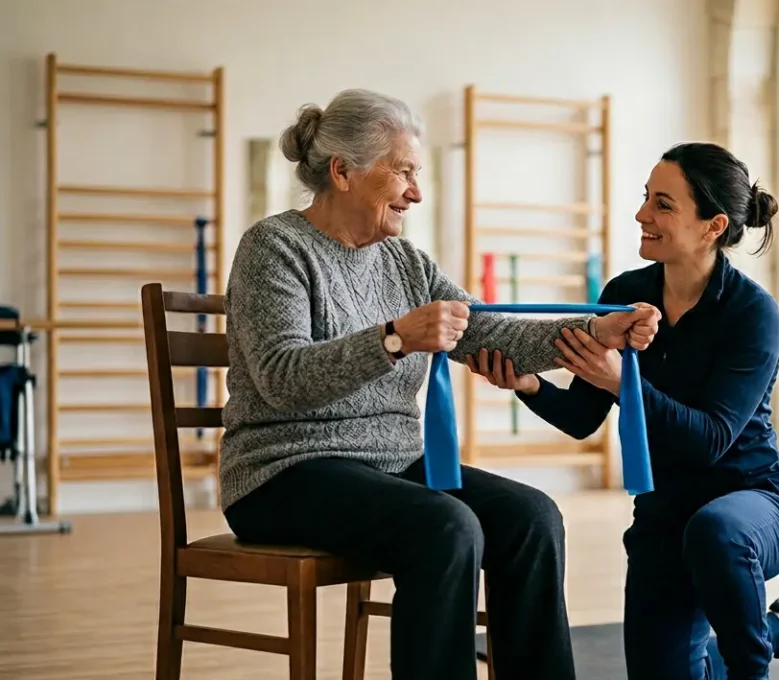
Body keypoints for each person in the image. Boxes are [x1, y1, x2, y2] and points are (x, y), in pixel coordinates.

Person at [218, 88, 660, 680]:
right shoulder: (273, 248)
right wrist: (393, 338)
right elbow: (279, 380)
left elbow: (485, 332)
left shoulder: (407, 263)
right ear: (342, 172)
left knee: (533, 518)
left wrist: (596, 329)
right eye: (402, 172)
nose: (416, 192)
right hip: (281, 473)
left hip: (390, 467)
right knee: (447, 527)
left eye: (416, 173)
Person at [465, 142, 779, 680]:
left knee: (717, 533)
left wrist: (622, 383)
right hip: (665, 518)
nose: (642, 214)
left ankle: (753, 666)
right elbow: (581, 417)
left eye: (663, 204)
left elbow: (710, 439)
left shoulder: (752, 314)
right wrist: (527, 384)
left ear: (713, 226)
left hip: (752, 503)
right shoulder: (624, 295)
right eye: (646, 198)